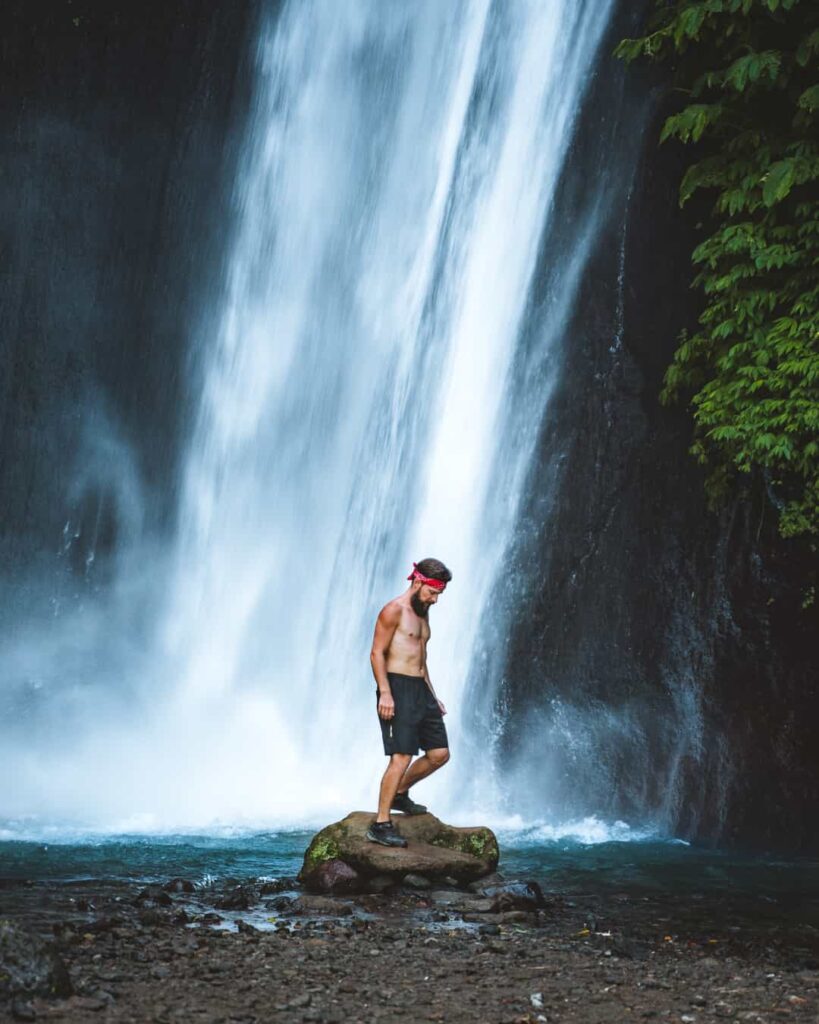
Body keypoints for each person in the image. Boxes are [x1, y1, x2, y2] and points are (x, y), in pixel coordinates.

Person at [366, 557, 453, 847]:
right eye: (432, 592)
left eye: (439, 594)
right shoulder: (393, 610)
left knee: (439, 753)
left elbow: (421, 657)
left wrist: (432, 693)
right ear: (418, 582)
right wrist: (385, 692)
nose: (435, 600)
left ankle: (400, 793)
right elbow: (377, 653)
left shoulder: (423, 610)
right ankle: (380, 824)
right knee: (401, 756)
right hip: (397, 687)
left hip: (420, 689)